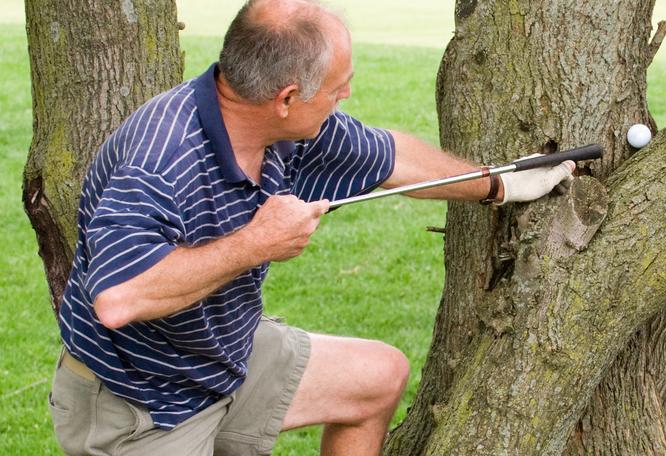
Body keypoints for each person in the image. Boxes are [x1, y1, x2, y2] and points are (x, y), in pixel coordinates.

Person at [48, 0, 575, 454]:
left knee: (378, 376)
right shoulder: (161, 158)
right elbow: (119, 300)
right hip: (142, 404)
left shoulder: (288, 130)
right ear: (286, 98)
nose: (345, 98)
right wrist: (257, 243)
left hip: (225, 361)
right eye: (337, 90)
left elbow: (390, 157)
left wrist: (499, 185)